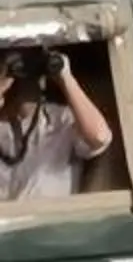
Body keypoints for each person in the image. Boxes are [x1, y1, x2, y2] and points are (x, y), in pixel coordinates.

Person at [0, 46, 117, 201]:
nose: (23, 85)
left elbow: (99, 136)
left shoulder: (61, 119)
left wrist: (65, 77)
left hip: (51, 221)